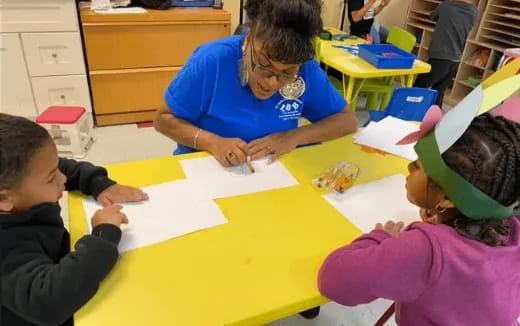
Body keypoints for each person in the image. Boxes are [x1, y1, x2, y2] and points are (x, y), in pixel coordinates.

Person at [317, 114, 520, 325]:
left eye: (419, 166)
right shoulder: (511, 223)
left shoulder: (426, 251)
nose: (409, 168)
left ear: (449, 198)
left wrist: (381, 237)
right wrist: (441, 216)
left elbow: (333, 281)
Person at [154, 0, 358, 168]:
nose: (271, 83)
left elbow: (346, 121)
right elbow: (163, 119)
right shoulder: (212, 60)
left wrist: (293, 137)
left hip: (272, 174)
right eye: (263, 64)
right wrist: (211, 141)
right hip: (206, 169)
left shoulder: (306, 68)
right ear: (249, 39)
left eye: (287, 73)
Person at [0, 114, 148, 326]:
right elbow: (47, 301)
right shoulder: (7, 246)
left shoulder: (21, 187)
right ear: (4, 198)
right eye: (51, 178)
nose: (63, 179)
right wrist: (102, 235)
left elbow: (61, 167)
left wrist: (99, 184)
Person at [414, 0, 479, 108]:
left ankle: (405, 116)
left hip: (440, 57)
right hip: (455, 60)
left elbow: (433, 16)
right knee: (439, 92)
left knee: (417, 89)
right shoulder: (474, 11)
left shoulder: (446, 6)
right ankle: (435, 120)